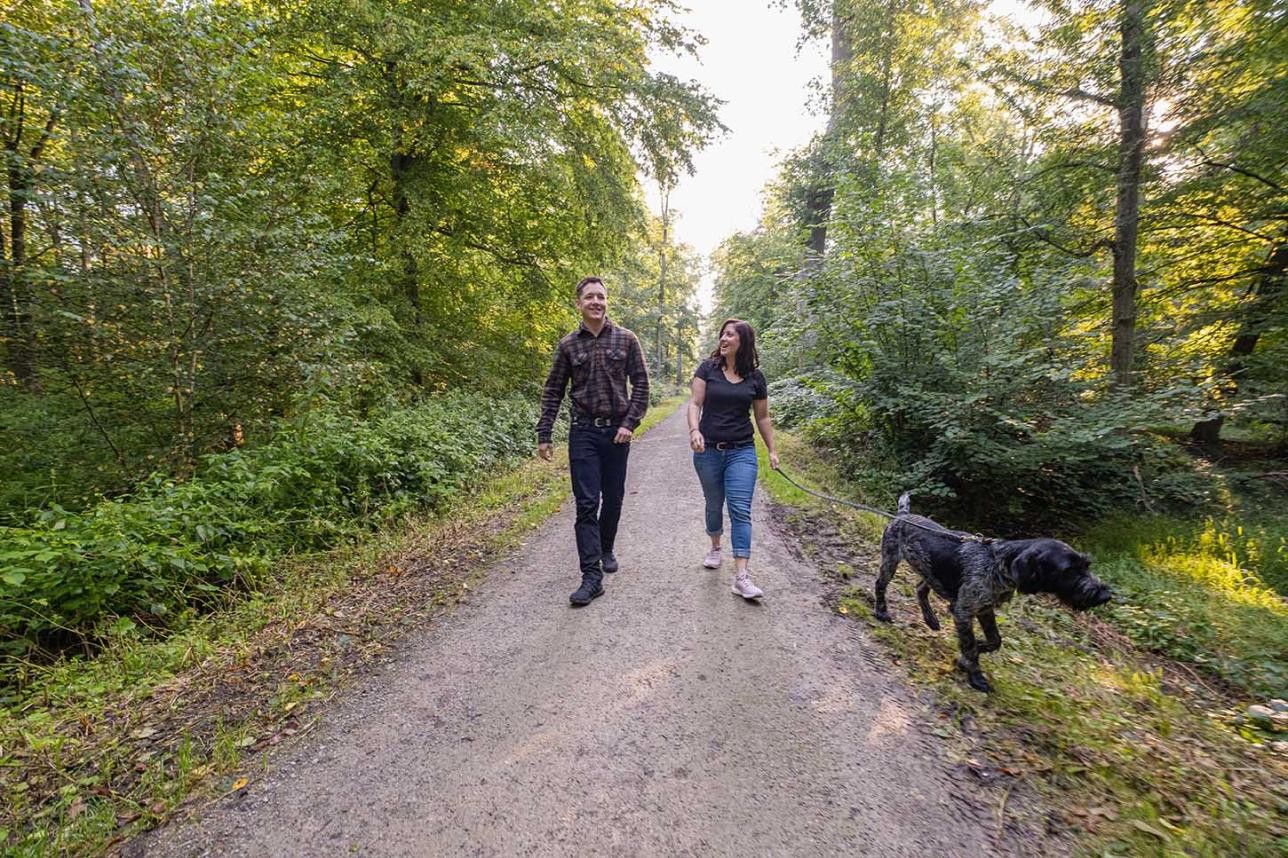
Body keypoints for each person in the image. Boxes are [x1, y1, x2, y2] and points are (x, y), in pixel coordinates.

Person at [537, 276, 650, 606]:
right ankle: (591, 576)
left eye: (601, 296)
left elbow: (641, 385)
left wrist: (630, 423)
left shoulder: (627, 340)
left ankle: (606, 548)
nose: (596, 302)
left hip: (617, 432)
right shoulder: (568, 345)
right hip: (583, 431)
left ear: (606, 301)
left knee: (612, 498)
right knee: (587, 503)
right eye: (590, 297)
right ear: (579, 303)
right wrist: (545, 433)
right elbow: (553, 391)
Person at [687, 318, 780, 601]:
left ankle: (741, 577)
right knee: (714, 503)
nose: (724, 339)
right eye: (722, 335)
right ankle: (715, 546)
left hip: (742, 450)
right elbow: (694, 404)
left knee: (740, 508)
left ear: (743, 342)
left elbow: (762, 418)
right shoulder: (707, 368)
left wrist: (772, 450)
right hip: (709, 451)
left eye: (730, 335)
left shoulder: (755, 378)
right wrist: (694, 430)